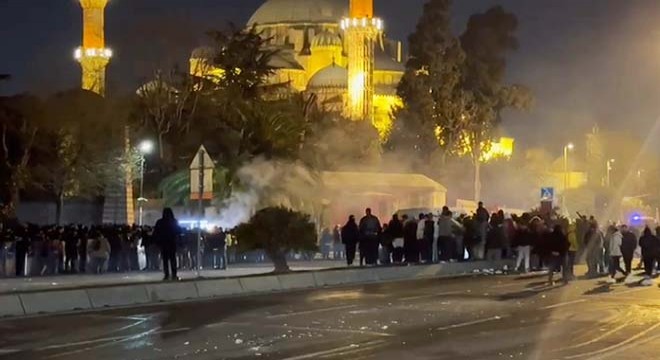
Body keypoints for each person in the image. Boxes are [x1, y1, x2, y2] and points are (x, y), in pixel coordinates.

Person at [153, 208, 181, 281]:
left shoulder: (160, 222)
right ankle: (174, 274)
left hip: (163, 243)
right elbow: (178, 231)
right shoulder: (174, 221)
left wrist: (157, 242)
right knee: (173, 259)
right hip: (172, 243)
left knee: (165, 260)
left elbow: (156, 233)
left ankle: (166, 274)